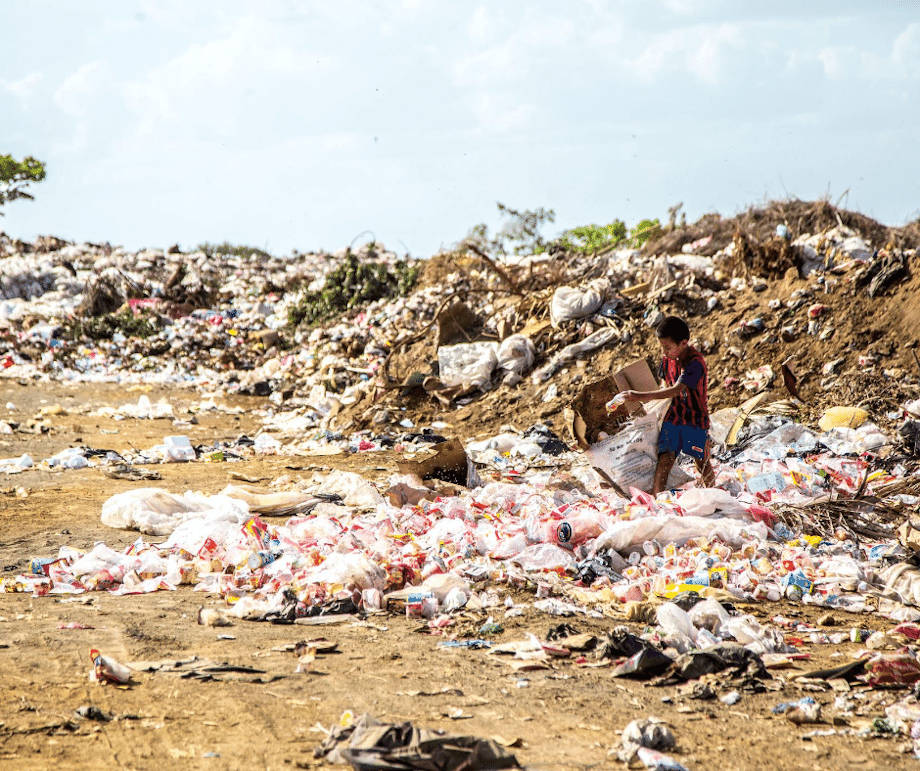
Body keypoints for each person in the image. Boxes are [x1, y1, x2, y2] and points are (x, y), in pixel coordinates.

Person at [616, 315, 716, 494]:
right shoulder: (667, 359)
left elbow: (676, 390)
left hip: (694, 419)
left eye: (668, 347)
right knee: (665, 459)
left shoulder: (695, 363)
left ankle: (714, 493)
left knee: (701, 460)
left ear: (683, 343)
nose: (664, 351)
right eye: (662, 347)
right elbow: (664, 385)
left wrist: (638, 395)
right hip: (673, 416)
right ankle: (657, 501)